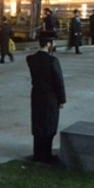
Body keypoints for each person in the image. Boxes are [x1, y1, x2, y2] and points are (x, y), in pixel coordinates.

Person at [27, 32, 66, 163]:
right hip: (50, 97)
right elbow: (58, 81)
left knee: (38, 124)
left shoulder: (31, 59)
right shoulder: (52, 61)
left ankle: (37, 153)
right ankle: (46, 154)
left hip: (37, 95)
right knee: (49, 124)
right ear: (48, 44)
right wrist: (62, 99)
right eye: (53, 43)